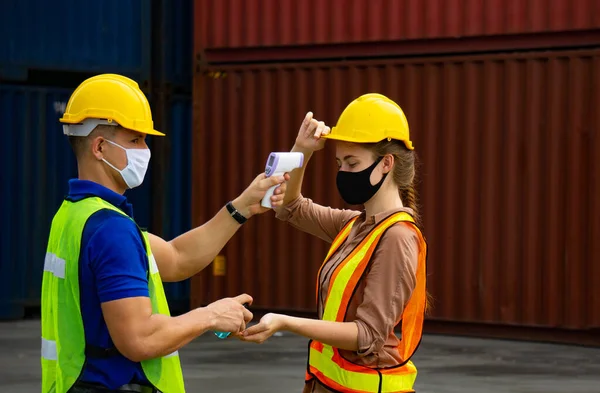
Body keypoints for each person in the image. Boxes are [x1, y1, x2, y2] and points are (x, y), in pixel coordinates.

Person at [40, 73, 290, 393]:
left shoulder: (76, 214)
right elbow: (139, 338)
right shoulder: (110, 230)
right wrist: (210, 315)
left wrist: (241, 207)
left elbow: (176, 258)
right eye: (135, 140)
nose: (146, 150)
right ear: (100, 146)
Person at [239, 93, 428, 393]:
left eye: (352, 163)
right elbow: (291, 208)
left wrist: (287, 323)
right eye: (340, 163)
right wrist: (303, 150)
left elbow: (368, 335)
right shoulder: (353, 226)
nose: (343, 173)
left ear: (386, 164)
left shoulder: (398, 238)